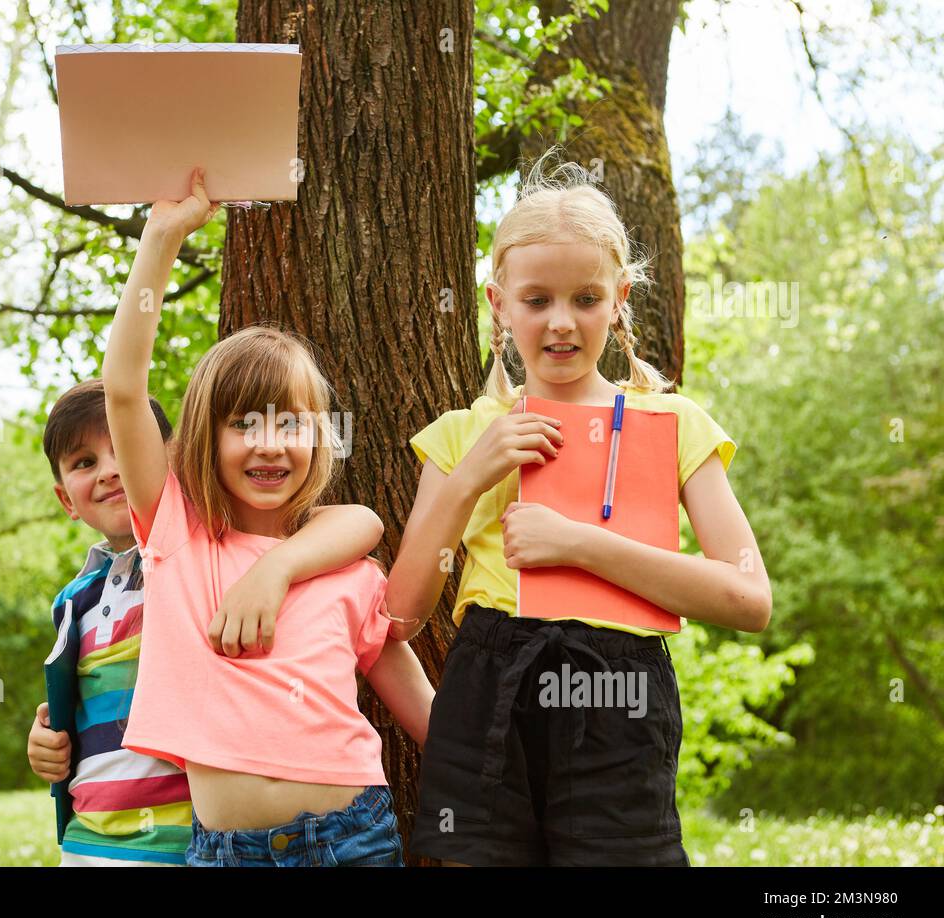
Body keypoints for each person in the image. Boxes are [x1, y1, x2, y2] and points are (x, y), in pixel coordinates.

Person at [386, 156, 772, 866]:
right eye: (536, 301)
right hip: (486, 694)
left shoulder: (673, 422)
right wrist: (471, 476)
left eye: (586, 299)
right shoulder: (463, 436)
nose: (561, 323)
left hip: (618, 691)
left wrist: (578, 544)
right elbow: (401, 615)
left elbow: (749, 598)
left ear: (620, 298)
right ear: (499, 304)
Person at [104, 169, 435, 866]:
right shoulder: (178, 534)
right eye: (243, 423)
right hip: (229, 851)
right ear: (205, 439)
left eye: (290, 422)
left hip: (356, 837)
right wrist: (162, 235)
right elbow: (125, 390)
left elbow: (430, 718)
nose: (268, 441)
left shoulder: (345, 566)